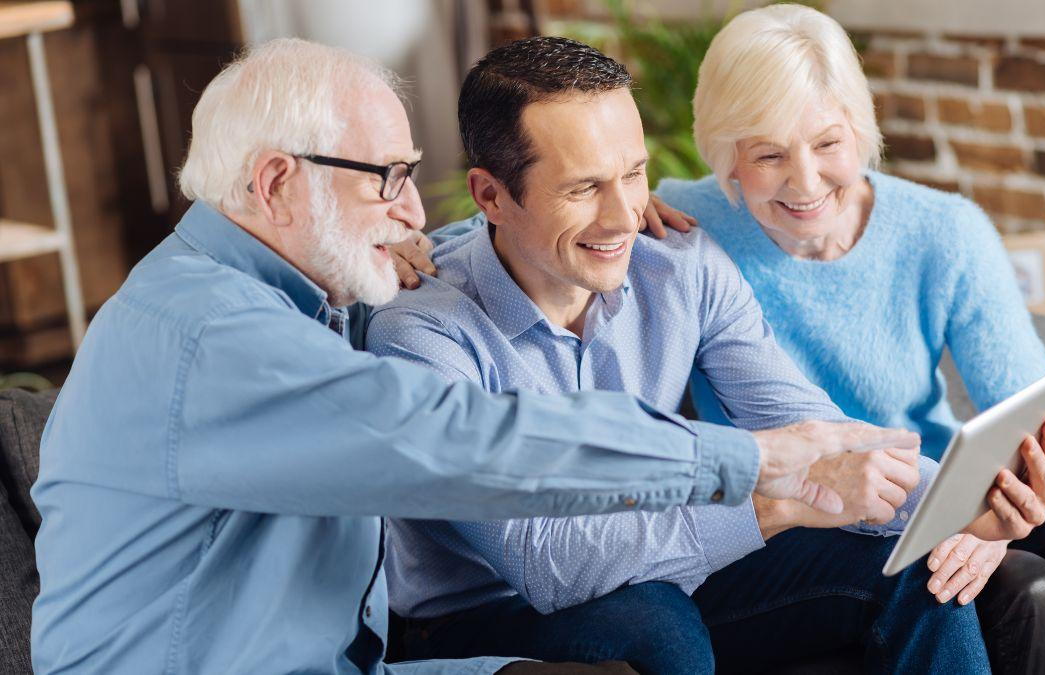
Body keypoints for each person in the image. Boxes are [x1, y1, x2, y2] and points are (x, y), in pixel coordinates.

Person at [29, 38, 911, 675]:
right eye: (386, 178)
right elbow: (466, 442)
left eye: (411, 177)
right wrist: (752, 463)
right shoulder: (211, 335)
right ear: (273, 184)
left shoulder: (299, 301)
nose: (412, 211)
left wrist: (557, 220)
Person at [369, 37, 1045, 675]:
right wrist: (778, 504)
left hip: (672, 564)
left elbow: (813, 426)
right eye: (584, 188)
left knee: (911, 571)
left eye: (633, 175)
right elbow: (551, 562)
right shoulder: (424, 336)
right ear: (491, 194)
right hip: (493, 606)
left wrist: (963, 502)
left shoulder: (677, 265)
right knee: (659, 629)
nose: (623, 217)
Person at [644, 5, 1045, 673]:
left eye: (828, 144)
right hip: (808, 518)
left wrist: (997, 512)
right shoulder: (689, 226)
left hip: (938, 485)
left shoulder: (944, 231)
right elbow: (567, 218)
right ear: (725, 158)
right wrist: (619, 206)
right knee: (1025, 590)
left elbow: (1043, 413)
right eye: (768, 154)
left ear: (862, 133)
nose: (806, 181)